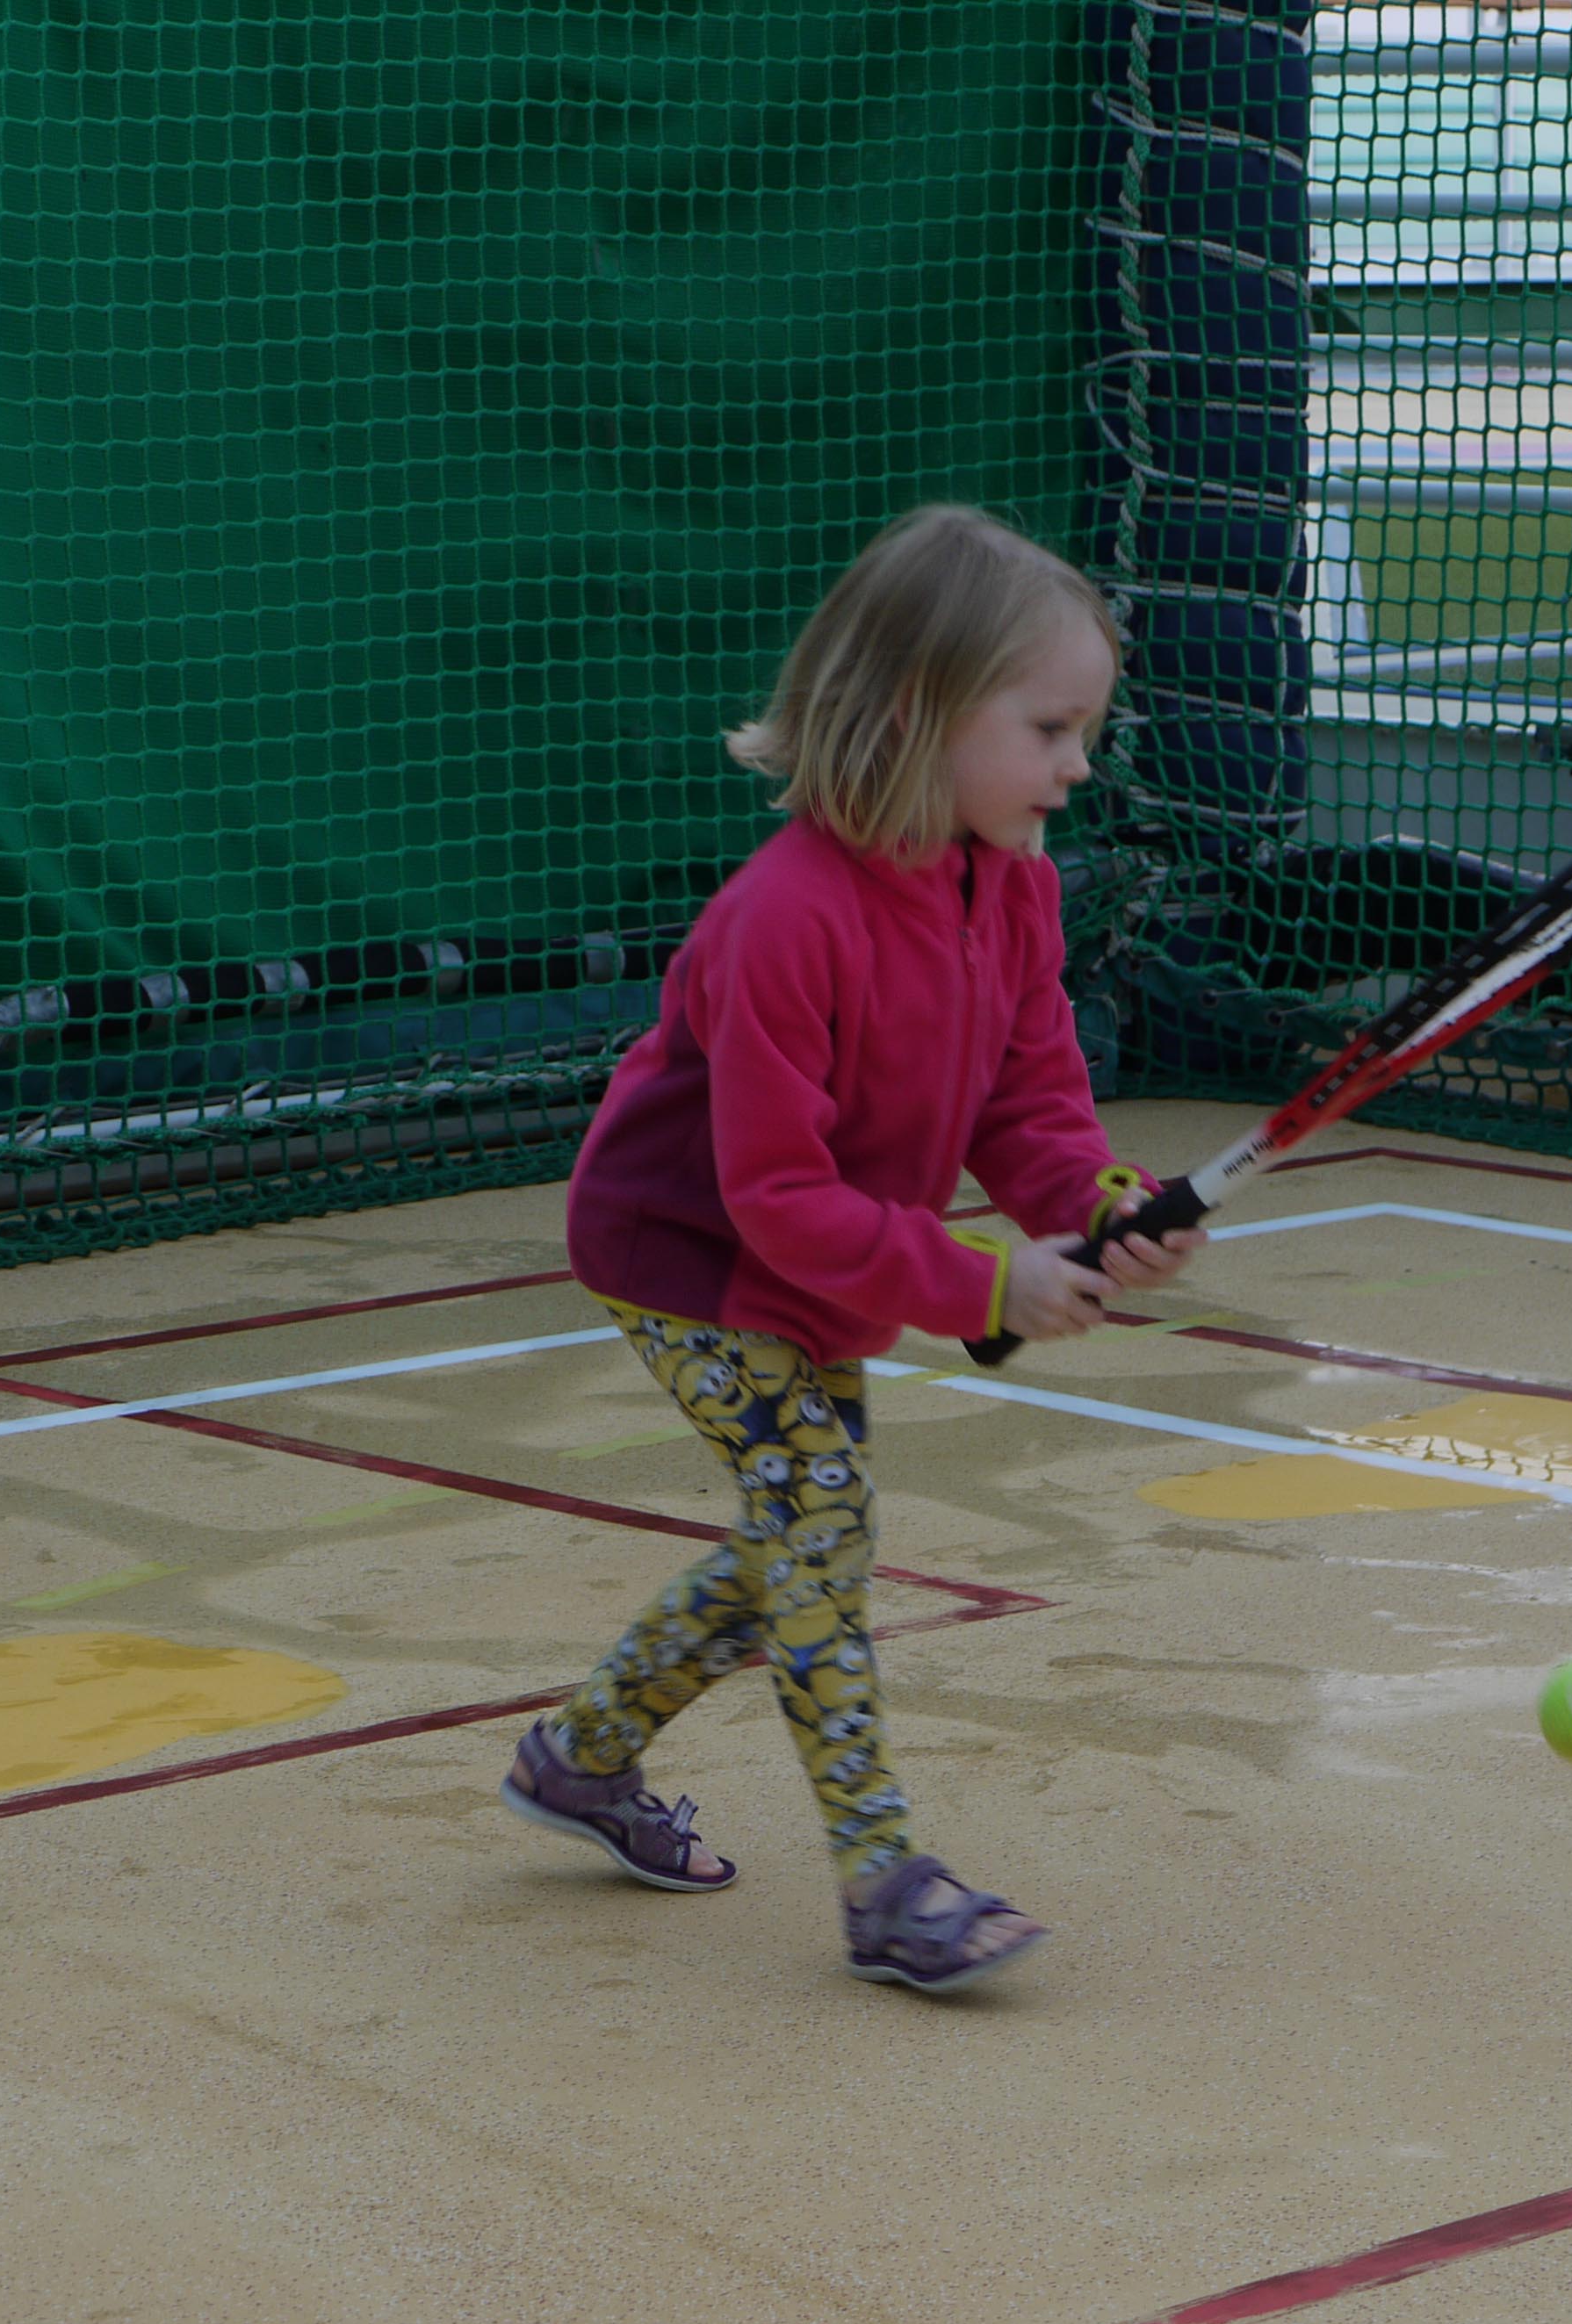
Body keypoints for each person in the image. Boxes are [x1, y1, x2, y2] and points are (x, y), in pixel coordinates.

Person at [501, 504, 1203, 1994]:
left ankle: (584, 1758)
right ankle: (883, 1882)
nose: (1080, 765)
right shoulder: (783, 922)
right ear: (916, 716)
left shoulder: (1009, 880)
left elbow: (1031, 1100)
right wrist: (982, 1286)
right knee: (820, 1520)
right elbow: (775, 1200)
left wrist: (1093, 1207)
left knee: (798, 1538)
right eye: (1051, 727)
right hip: (686, 1253)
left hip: (819, 1255)